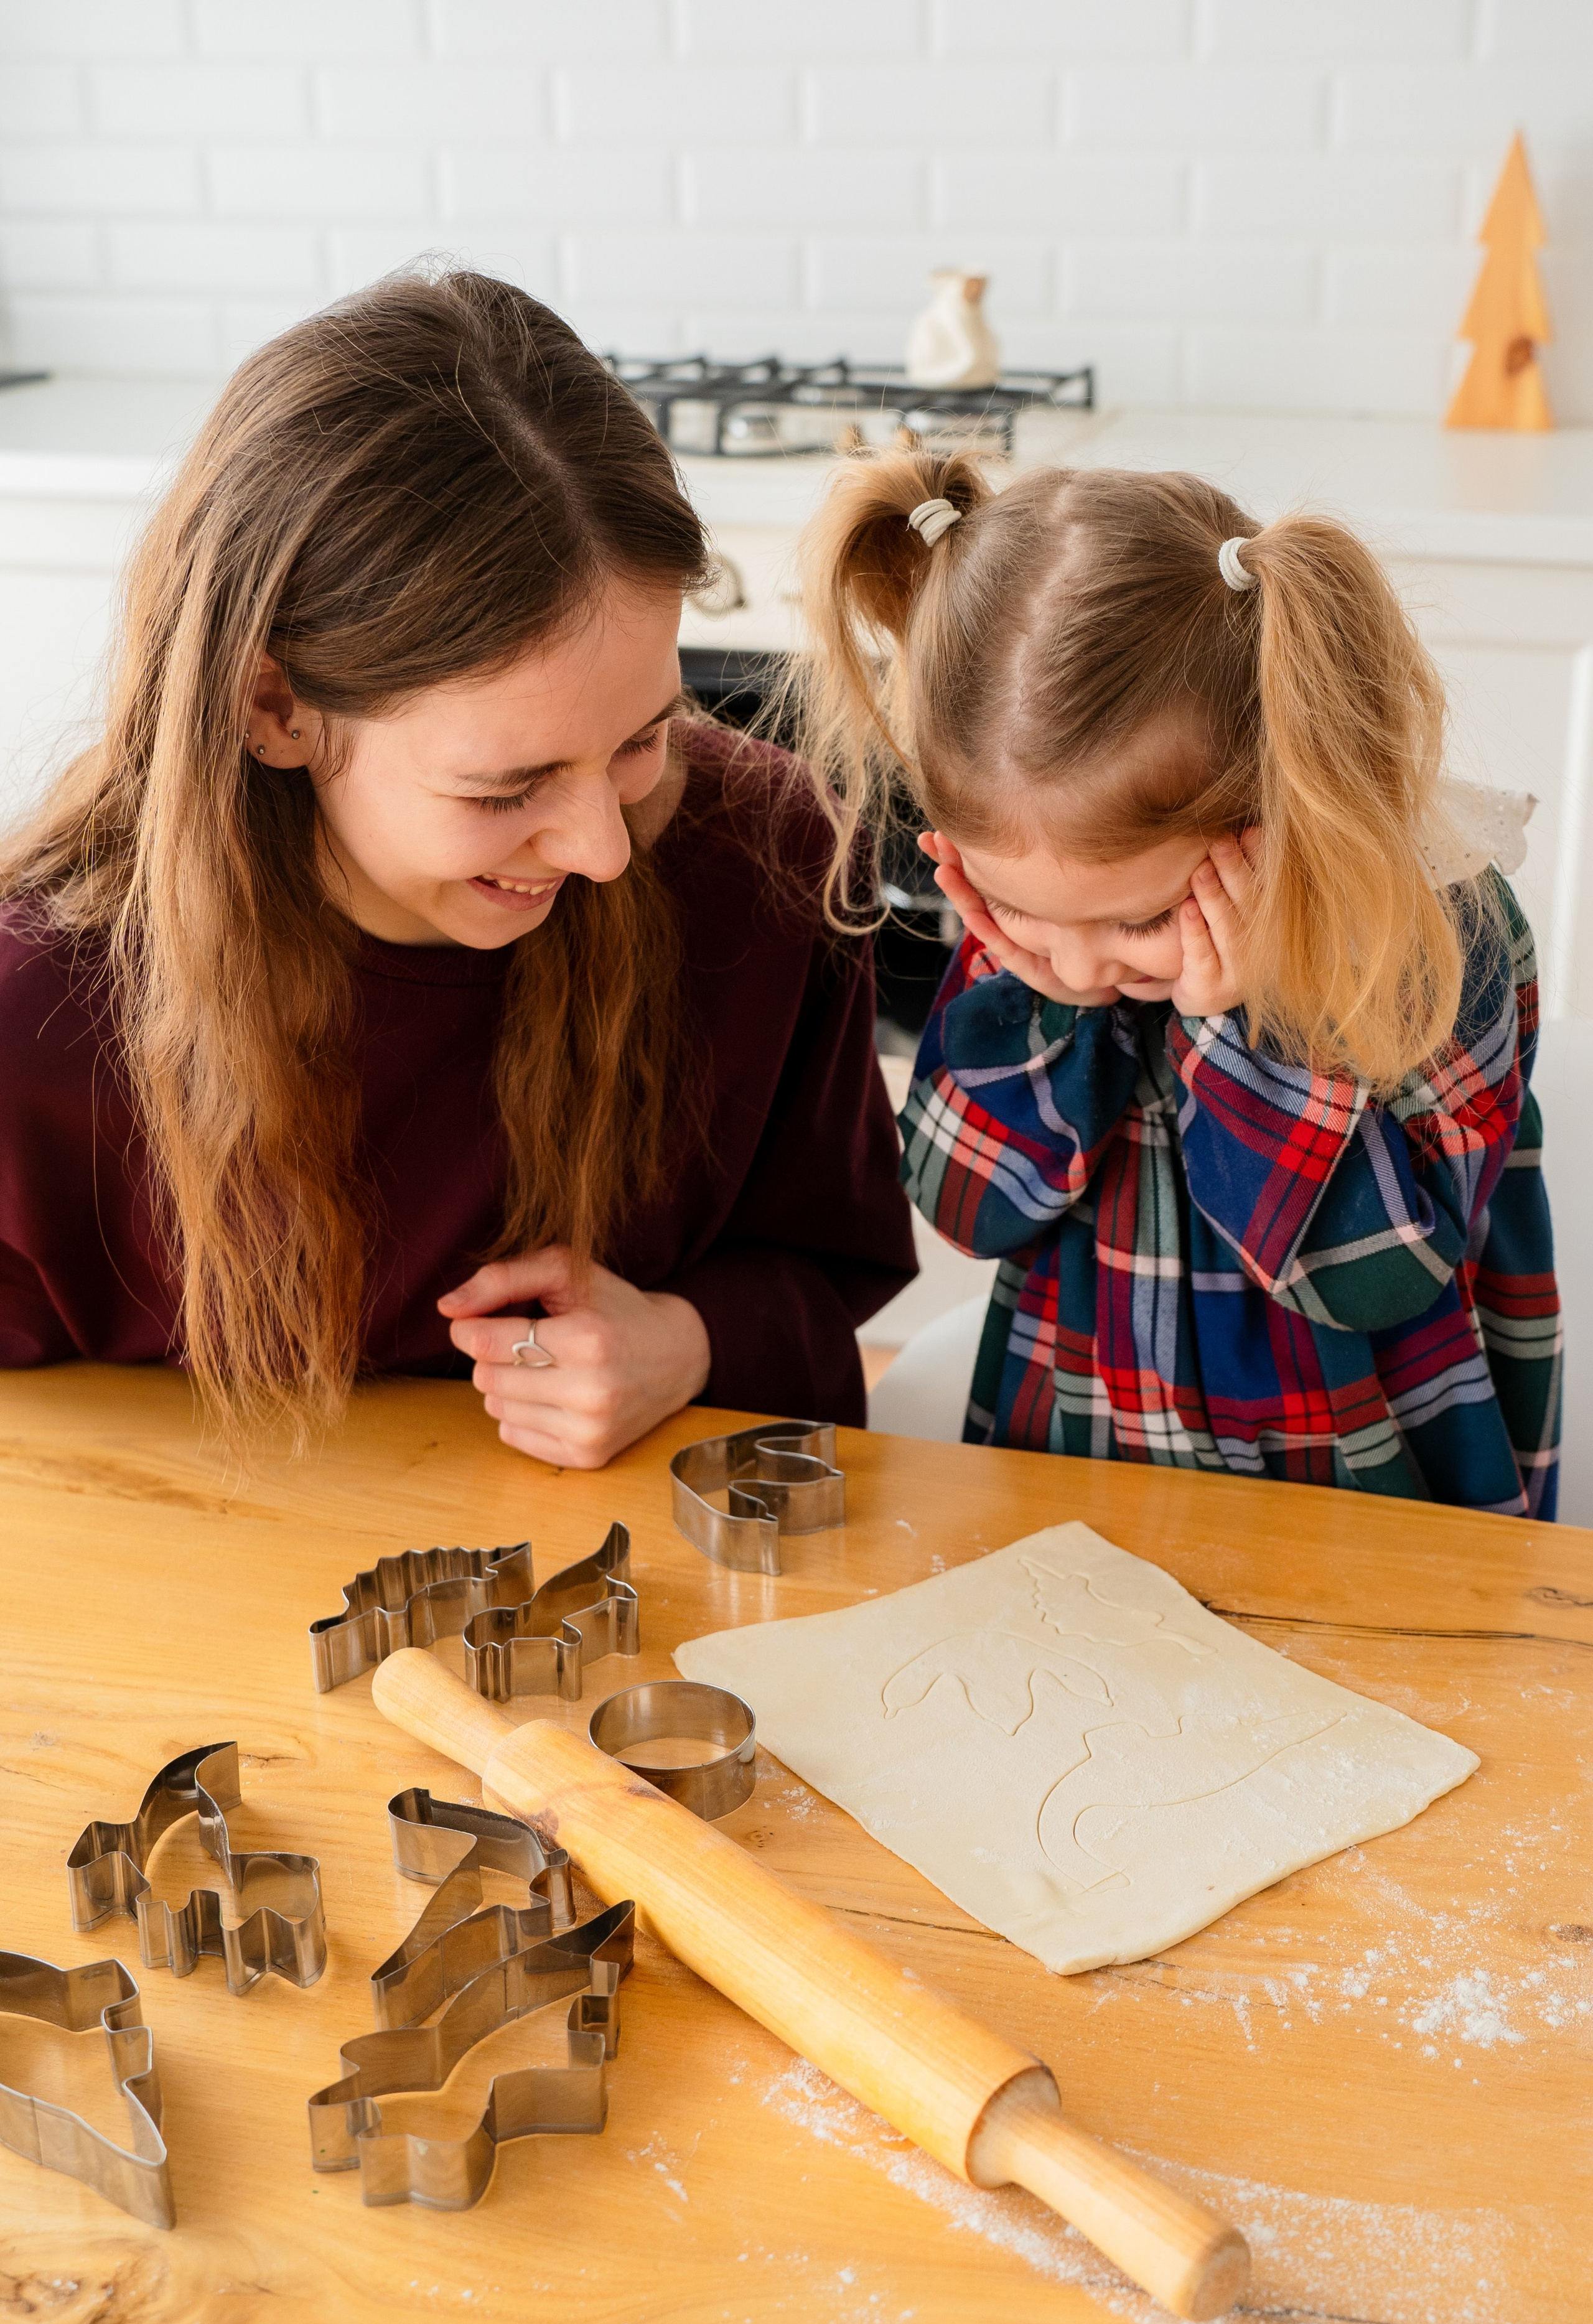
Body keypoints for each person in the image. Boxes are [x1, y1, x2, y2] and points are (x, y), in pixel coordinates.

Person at [0, 272, 915, 1462]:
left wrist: (686, 1344)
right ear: (271, 707)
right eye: (506, 788)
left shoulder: (767, 853)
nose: (597, 849)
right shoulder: (36, 1016)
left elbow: (829, 1273)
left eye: (643, 738)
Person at [794, 452, 1560, 1516]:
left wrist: (1238, 1030)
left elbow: (1379, 1282)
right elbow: (965, 1204)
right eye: (1025, 914)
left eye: (1144, 919)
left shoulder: (1434, 932)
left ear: (1277, 802)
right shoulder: (1054, 930)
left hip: (1366, 1496)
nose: (1078, 961)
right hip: (1079, 1469)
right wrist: (1054, 1002)